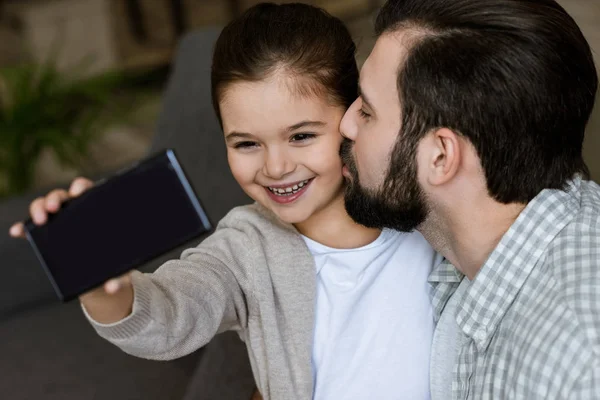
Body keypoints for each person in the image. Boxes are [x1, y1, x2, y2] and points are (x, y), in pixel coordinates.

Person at [10, 3, 439, 400]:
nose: (275, 167)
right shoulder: (245, 248)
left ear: (353, 117)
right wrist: (103, 288)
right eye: (247, 143)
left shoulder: (425, 208)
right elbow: (170, 315)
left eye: (302, 136)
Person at [339, 0, 600, 398]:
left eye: (368, 112)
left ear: (441, 156)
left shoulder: (579, 364)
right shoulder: (476, 250)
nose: (345, 122)